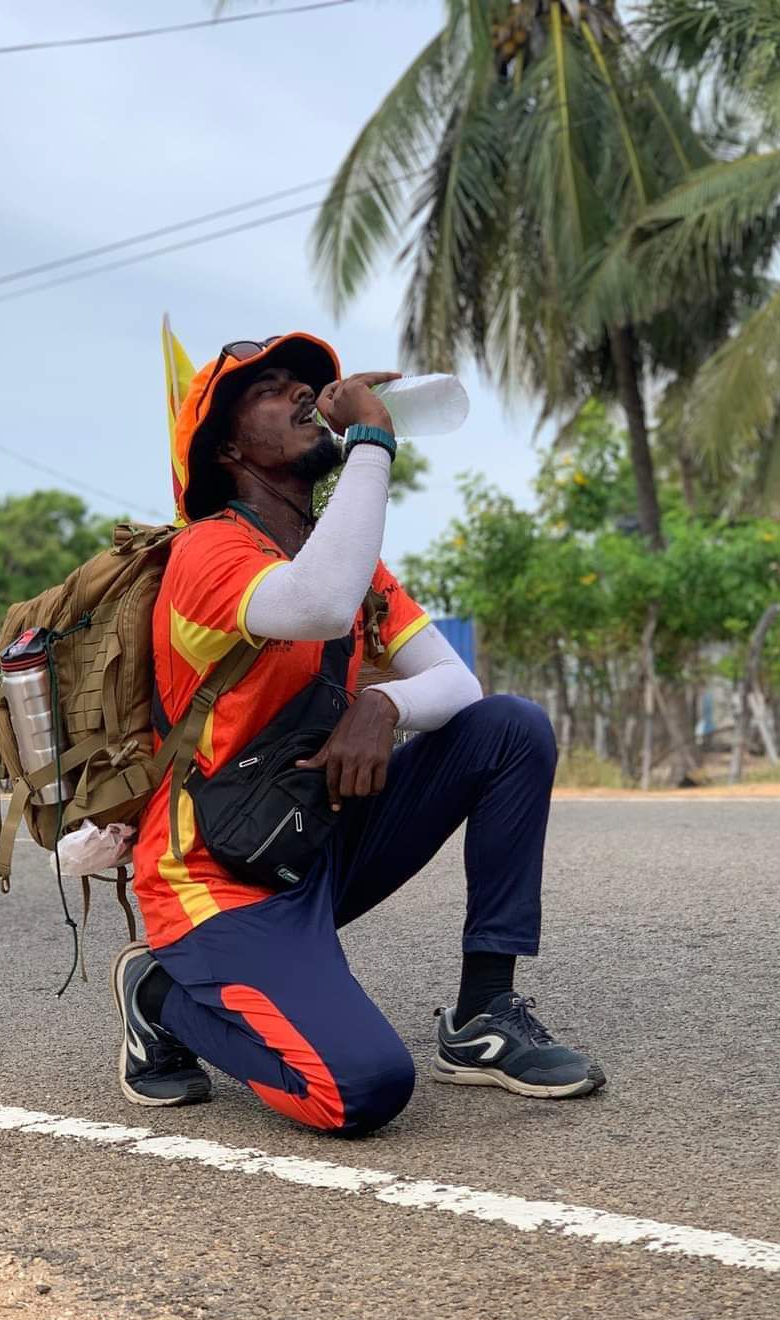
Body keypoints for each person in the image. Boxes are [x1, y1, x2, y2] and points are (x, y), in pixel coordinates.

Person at [115, 332, 605, 1135]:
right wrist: (372, 440)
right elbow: (316, 604)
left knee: (508, 728)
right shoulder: (209, 551)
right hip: (218, 877)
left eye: (311, 385)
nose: (306, 395)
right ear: (229, 446)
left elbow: (456, 683)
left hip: (311, 836)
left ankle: (483, 1015)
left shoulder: (350, 564)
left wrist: (384, 708)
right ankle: (161, 996)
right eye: (272, 389)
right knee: (360, 1090)